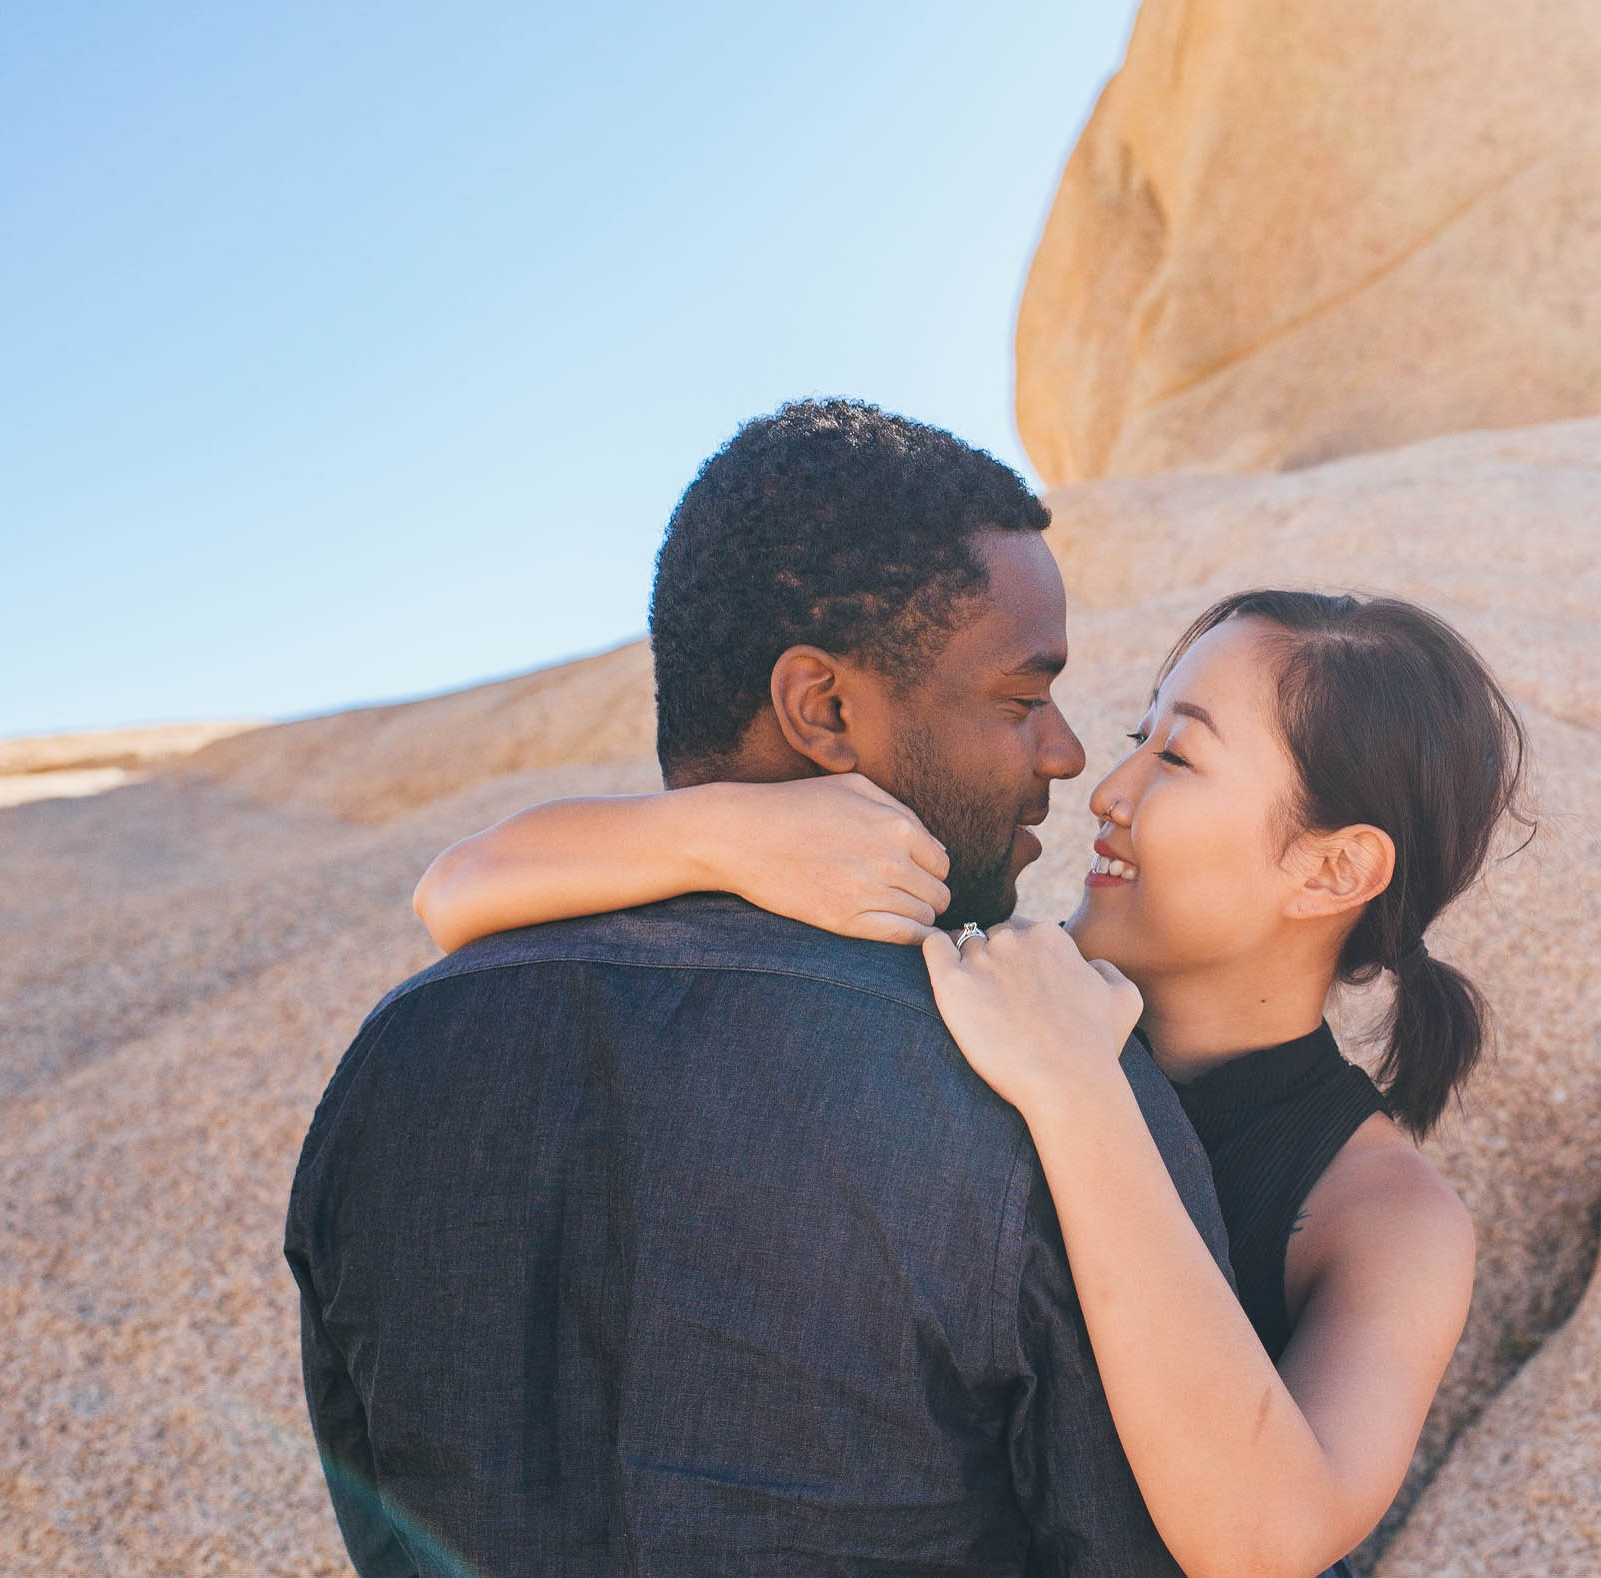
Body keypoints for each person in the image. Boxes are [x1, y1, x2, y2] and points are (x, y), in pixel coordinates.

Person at [286, 399, 1235, 1578]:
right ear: (823, 711)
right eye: (1017, 698)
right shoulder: (1045, 1081)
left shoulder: (395, 1058)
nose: (1065, 753)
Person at [417, 588, 1528, 1577]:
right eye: (1138, 734)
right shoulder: (990, 962)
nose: (1108, 786)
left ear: (1333, 867)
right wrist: (725, 834)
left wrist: (1078, 1091)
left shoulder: (1384, 1215)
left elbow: (1268, 1542)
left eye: (1176, 758)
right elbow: (458, 892)